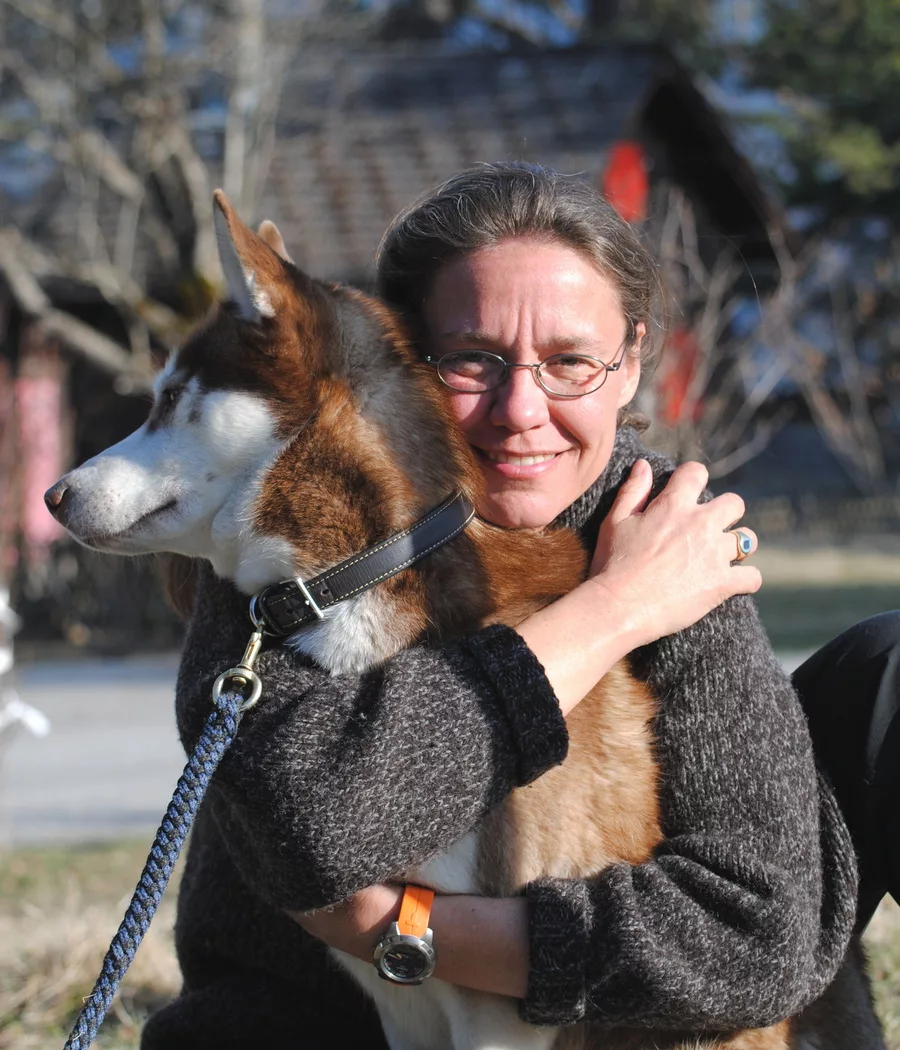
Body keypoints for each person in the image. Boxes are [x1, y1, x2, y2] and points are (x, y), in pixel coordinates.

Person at [141, 162, 883, 1049]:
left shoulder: (658, 540)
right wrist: (611, 610)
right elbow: (323, 834)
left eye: (570, 361)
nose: (521, 409)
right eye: (472, 360)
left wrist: (408, 932)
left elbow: (756, 946)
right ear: (397, 358)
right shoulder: (289, 541)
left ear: (630, 364)